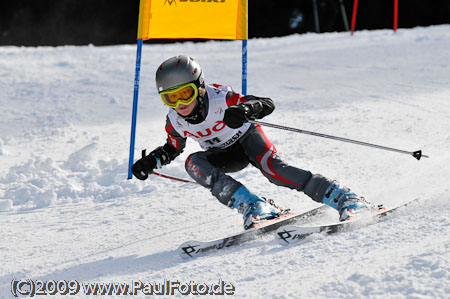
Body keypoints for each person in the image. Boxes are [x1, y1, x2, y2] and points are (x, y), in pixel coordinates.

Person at [132, 55, 373, 229]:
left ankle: (344, 197)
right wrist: (151, 161)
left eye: (186, 94)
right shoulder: (175, 120)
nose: (180, 104)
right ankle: (255, 206)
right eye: (171, 98)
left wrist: (245, 109)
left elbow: (267, 103)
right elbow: (173, 148)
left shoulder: (221, 98)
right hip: (224, 156)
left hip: (248, 140)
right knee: (193, 162)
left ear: (200, 87)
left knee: (275, 171)